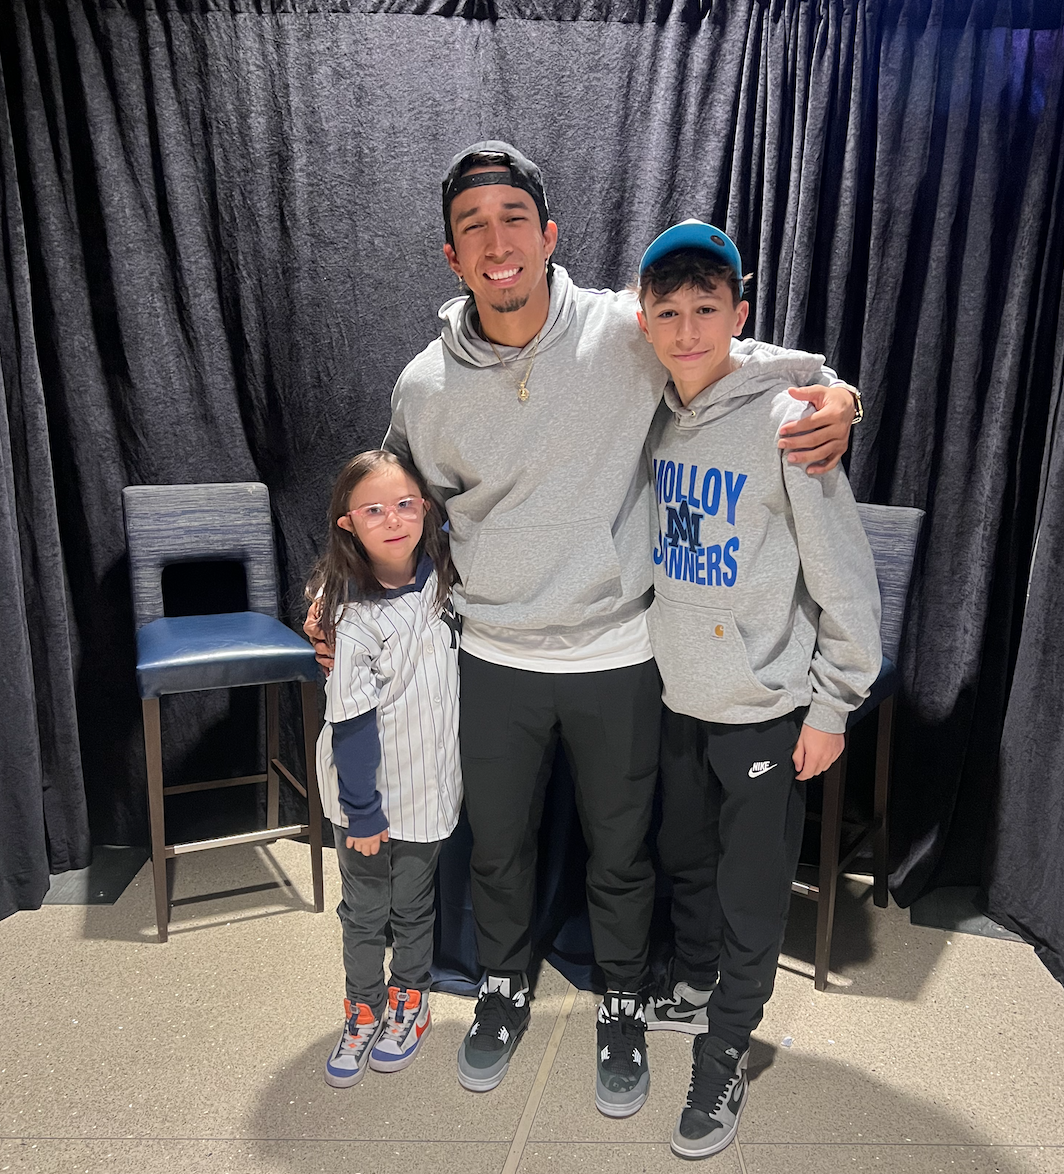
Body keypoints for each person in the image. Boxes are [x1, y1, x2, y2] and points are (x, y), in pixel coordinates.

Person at [307, 141, 860, 1117]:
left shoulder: (620, 329)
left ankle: (617, 1003)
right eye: (472, 226)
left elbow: (721, 350)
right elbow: (384, 501)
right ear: (450, 255)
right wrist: (333, 585)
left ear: (548, 233)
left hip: (622, 657)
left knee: (621, 851)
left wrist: (833, 388)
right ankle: (503, 989)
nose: (496, 241)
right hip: (492, 656)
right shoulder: (423, 386)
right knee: (499, 847)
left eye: (512, 218)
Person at [634, 220, 881, 1158]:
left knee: (749, 890)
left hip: (765, 706)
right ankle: (694, 981)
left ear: (740, 314)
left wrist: (832, 704)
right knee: (686, 860)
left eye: (708, 310)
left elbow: (843, 574)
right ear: (644, 319)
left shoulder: (792, 422)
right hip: (677, 695)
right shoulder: (647, 405)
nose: (689, 330)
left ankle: (725, 1049)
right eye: (670, 311)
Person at [308, 450, 462, 1088]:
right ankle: (363, 1006)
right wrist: (363, 811)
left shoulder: (443, 575)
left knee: (415, 905)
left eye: (405, 505)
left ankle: (410, 998)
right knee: (367, 909)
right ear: (347, 524)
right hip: (365, 796)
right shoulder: (348, 613)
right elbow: (350, 724)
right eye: (373, 510)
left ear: (425, 510)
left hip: (428, 785)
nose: (393, 520)